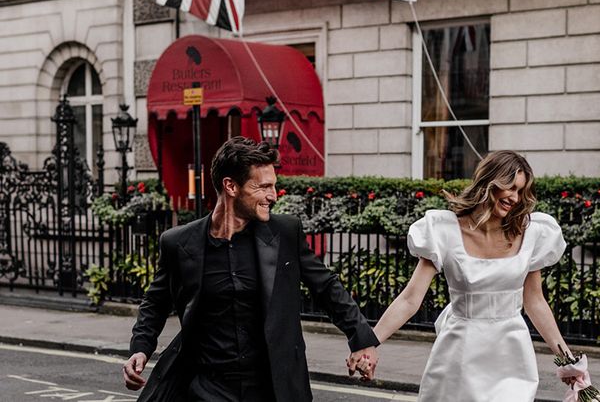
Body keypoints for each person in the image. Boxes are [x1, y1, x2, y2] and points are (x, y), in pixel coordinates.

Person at [122, 136, 378, 401]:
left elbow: (326, 286)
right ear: (231, 186)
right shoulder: (179, 243)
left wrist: (361, 339)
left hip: (272, 387)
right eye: (263, 187)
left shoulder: (285, 233)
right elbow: (156, 302)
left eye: (274, 186)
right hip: (206, 388)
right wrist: (140, 349)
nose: (273, 196)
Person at [372, 150, 573, 402]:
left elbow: (535, 302)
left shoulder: (531, 233)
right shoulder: (444, 230)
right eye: (510, 187)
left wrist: (567, 359)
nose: (514, 197)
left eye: (520, 191)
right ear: (489, 182)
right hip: (459, 354)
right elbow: (410, 299)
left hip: (510, 354)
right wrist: (369, 342)